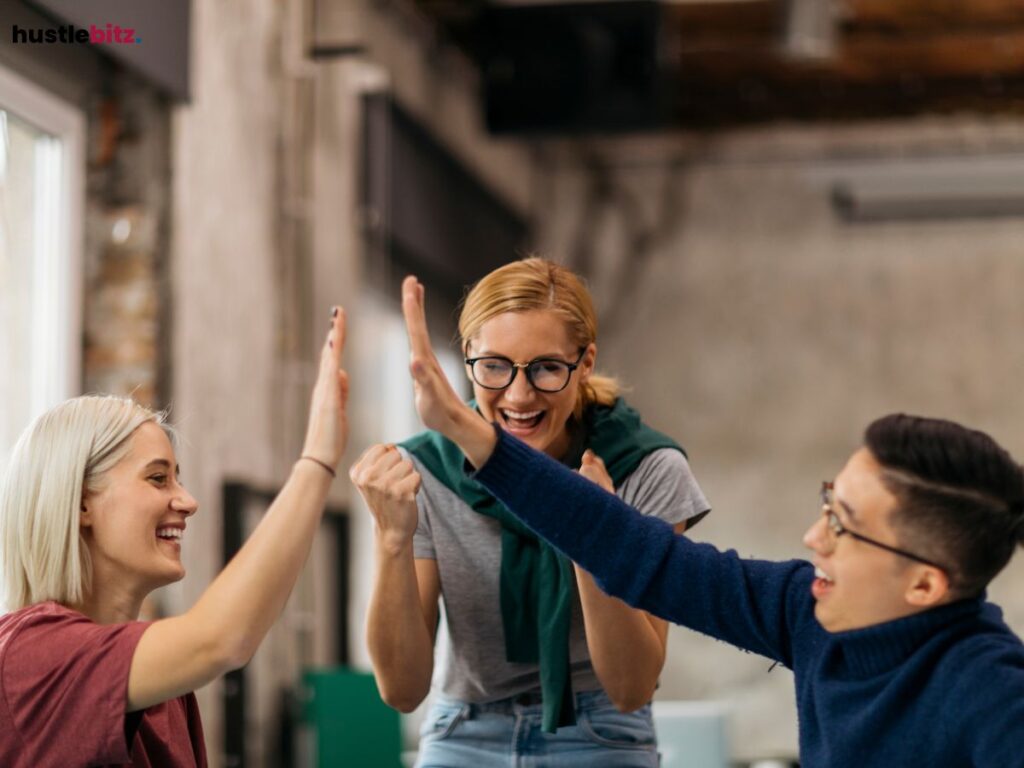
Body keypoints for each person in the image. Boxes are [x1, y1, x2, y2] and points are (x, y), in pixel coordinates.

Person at [399, 274, 1024, 768]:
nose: (814, 537)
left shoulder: (993, 695)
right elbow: (635, 552)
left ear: (925, 585)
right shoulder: (801, 611)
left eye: (844, 525)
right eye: (827, 505)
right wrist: (461, 428)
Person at [351, 258, 710, 767]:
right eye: (494, 365)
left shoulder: (645, 468)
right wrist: (391, 539)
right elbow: (402, 690)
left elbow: (632, 687)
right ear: (467, 355)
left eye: (546, 367)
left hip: (601, 728)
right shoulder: (423, 471)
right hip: (464, 725)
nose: (519, 396)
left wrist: (593, 528)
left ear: (585, 363)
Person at [0, 307, 348, 767]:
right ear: (82, 503)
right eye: (158, 479)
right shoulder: (30, 654)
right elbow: (220, 640)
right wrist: (318, 459)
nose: (187, 501)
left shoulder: (161, 683)